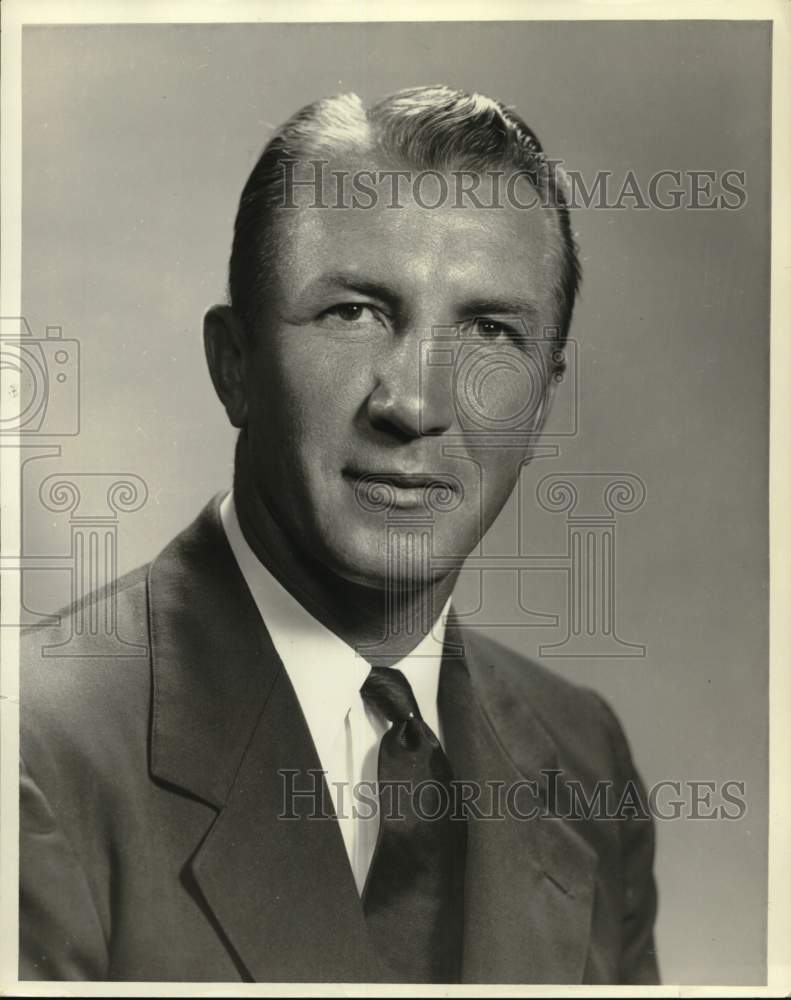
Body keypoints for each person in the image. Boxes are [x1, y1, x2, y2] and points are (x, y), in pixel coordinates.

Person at [19, 86, 659, 984]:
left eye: (489, 331)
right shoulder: (35, 750)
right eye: (353, 312)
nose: (416, 405)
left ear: (542, 403)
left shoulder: (583, 760)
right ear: (234, 365)